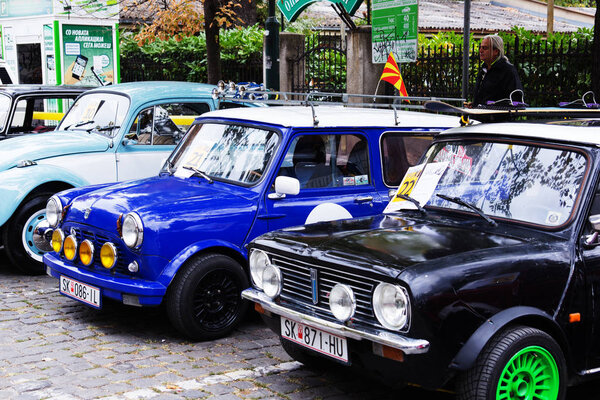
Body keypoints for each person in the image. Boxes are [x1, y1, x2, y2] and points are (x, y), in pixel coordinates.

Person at [470, 34, 523, 107]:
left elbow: (515, 99)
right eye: (480, 47)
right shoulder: (483, 70)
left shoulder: (507, 71)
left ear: (496, 51)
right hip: (478, 116)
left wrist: (490, 107)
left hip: (498, 117)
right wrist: (474, 105)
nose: (481, 50)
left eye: (485, 48)